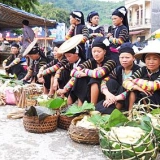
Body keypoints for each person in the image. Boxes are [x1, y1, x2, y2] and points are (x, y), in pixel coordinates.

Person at [57, 37, 116, 106]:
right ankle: (78, 106)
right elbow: (73, 72)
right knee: (79, 78)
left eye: (99, 51)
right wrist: (89, 73)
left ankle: (92, 106)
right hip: (89, 88)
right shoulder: (90, 61)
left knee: (94, 79)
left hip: (105, 86)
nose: (96, 54)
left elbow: (99, 74)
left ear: (104, 52)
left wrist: (84, 70)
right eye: (94, 51)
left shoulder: (110, 62)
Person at [95, 42, 140, 114]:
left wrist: (116, 98)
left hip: (130, 98)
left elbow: (134, 88)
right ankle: (111, 106)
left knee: (126, 86)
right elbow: (104, 81)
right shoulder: (118, 69)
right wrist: (107, 94)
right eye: (122, 57)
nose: (124, 60)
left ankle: (124, 111)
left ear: (133, 58)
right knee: (110, 82)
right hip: (114, 98)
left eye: (127, 57)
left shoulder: (138, 70)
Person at [123, 40, 160, 111]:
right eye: (148, 59)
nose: (151, 62)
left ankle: (151, 116)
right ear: (144, 60)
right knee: (133, 90)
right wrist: (136, 87)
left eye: (155, 59)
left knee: (145, 93)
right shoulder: (143, 69)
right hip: (142, 97)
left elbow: (154, 86)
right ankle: (131, 113)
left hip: (156, 99)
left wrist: (136, 80)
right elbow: (125, 82)